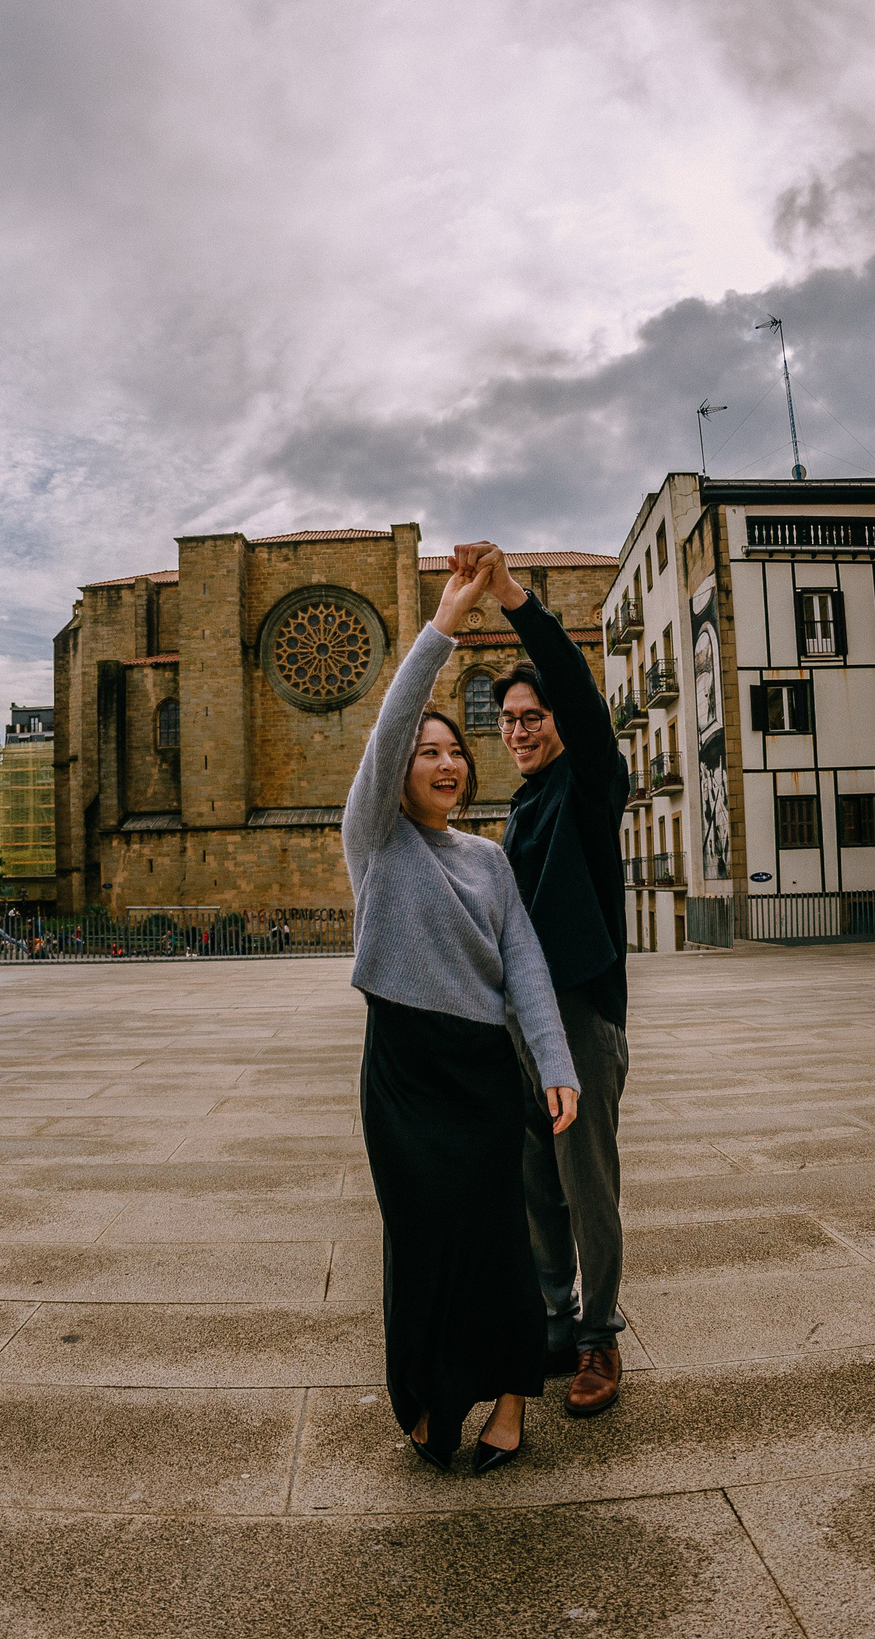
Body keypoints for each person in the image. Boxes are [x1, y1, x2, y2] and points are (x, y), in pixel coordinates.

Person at [345, 549, 579, 1475]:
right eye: (426, 753)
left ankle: (512, 1404)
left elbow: (524, 964)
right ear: (398, 774)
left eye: (455, 752)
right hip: (403, 1071)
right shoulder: (377, 844)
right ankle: (427, 1398)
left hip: (481, 1069)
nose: (444, 762)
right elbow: (390, 727)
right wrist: (443, 626)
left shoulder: (486, 861)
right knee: (420, 1241)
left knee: (495, 1241)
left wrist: (554, 1065)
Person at [480, 544, 634, 1419]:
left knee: (588, 1181)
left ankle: (601, 1336)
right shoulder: (522, 805)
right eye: (509, 720)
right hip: (523, 1023)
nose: (521, 728)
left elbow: (576, 685)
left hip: (578, 1015)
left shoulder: (587, 785)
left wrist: (512, 601)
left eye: (533, 715)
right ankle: (553, 1318)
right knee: (536, 1181)